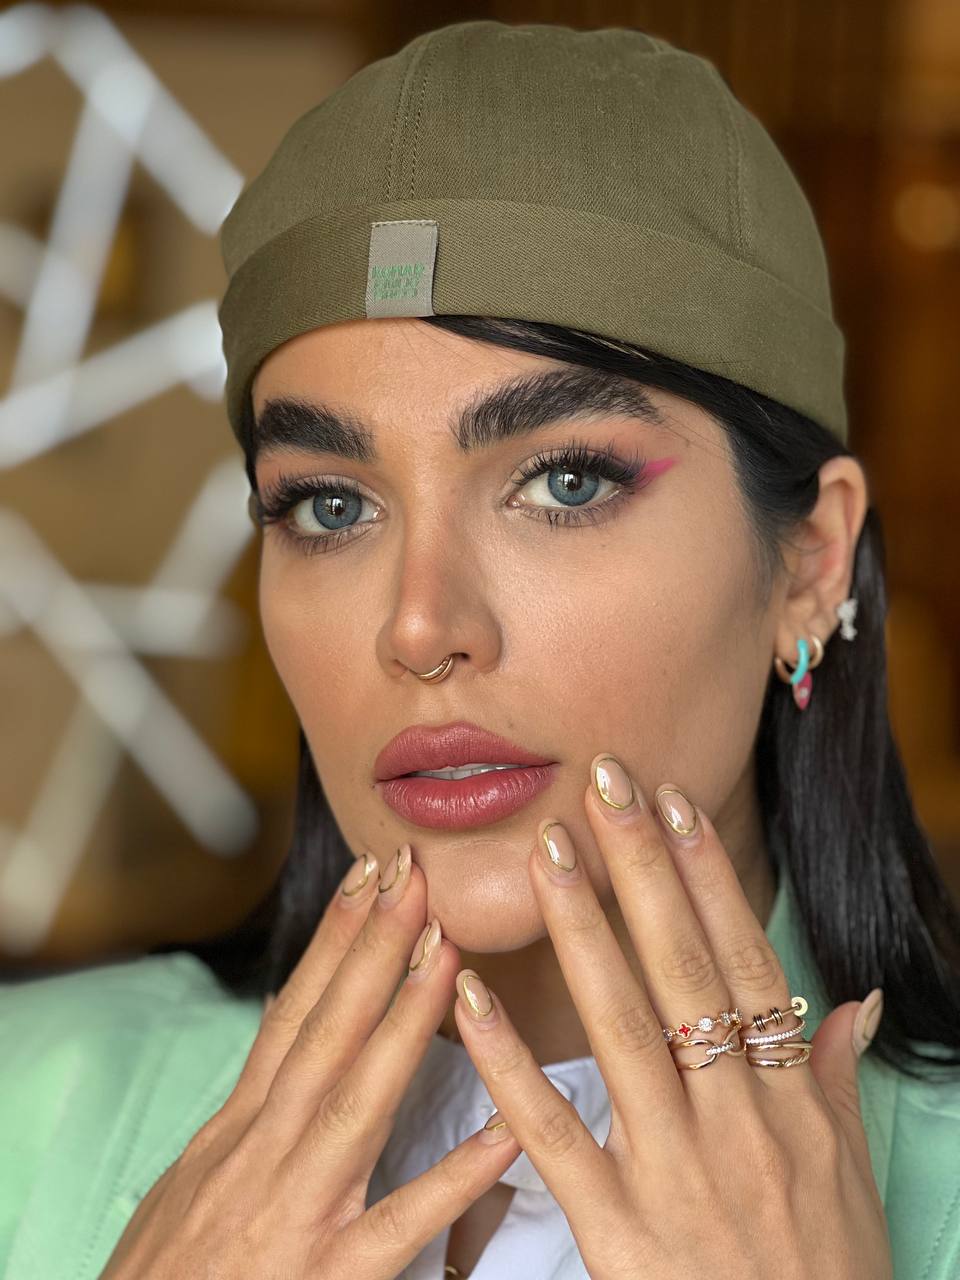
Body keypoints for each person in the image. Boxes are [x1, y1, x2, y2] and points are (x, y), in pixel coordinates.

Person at [2, 19, 959, 1280]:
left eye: (565, 481)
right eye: (329, 505)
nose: (418, 625)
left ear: (811, 561)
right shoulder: (29, 1102)